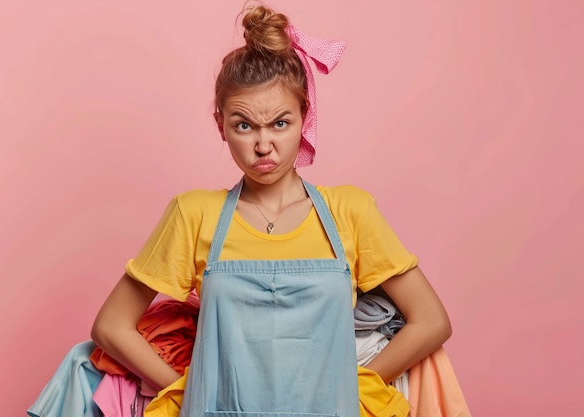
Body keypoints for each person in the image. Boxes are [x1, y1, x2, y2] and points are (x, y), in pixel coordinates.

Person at [90, 4, 452, 417]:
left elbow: (430, 320)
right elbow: (111, 325)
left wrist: (355, 385)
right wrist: (190, 388)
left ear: (304, 117)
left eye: (280, 123)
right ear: (220, 125)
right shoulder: (194, 214)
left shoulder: (349, 211)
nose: (263, 145)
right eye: (244, 125)